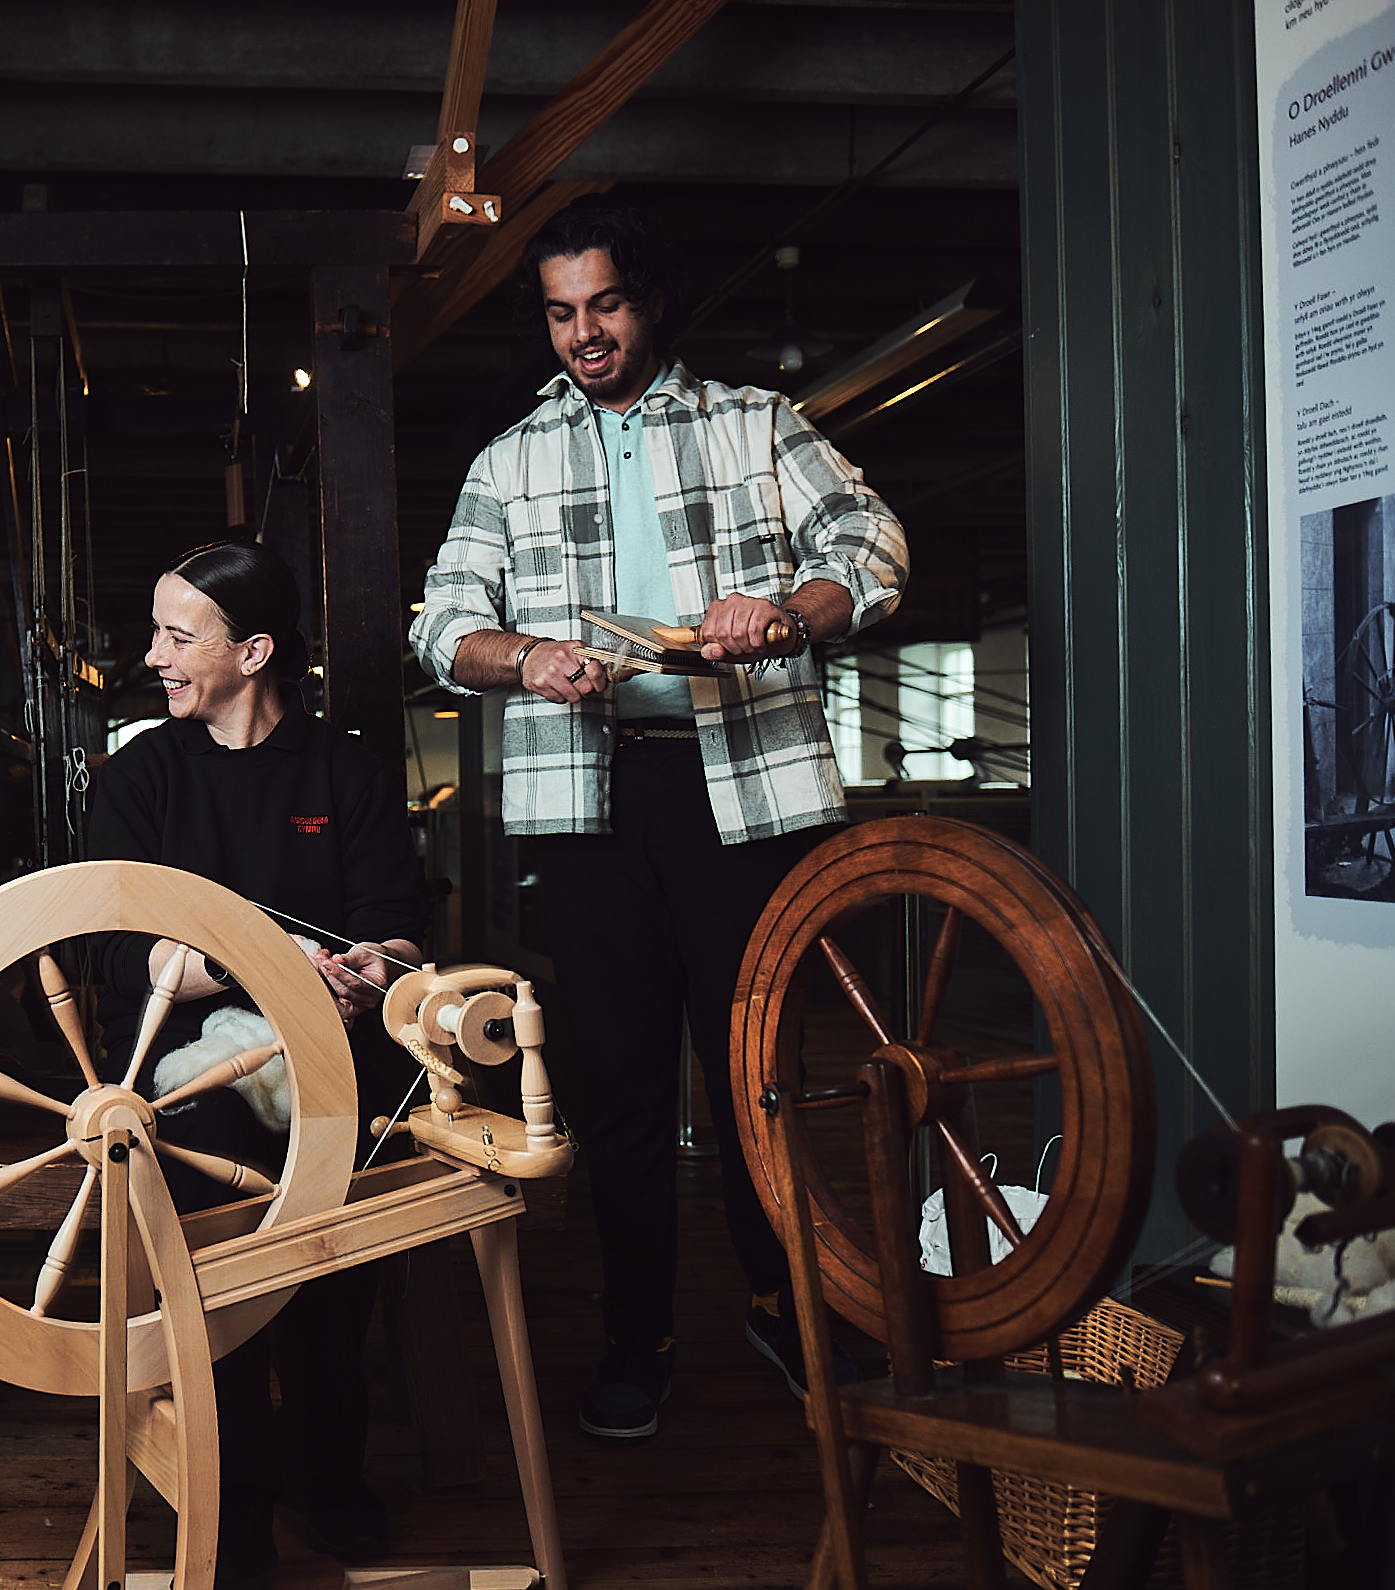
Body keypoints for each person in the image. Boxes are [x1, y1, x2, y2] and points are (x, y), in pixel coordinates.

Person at [409, 197, 908, 1444]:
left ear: (652, 300)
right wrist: (525, 661)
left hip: (747, 791)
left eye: (607, 304)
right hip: (590, 800)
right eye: (562, 311)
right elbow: (437, 624)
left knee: (760, 1072)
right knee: (618, 1085)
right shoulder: (507, 459)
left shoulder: (756, 424)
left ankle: (785, 1304)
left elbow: (875, 540)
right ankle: (640, 1337)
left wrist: (785, 608)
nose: (584, 333)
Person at [87, 541, 425, 1589]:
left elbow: (401, 935)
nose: (154, 656)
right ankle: (231, 1505)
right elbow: (108, 950)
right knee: (219, 1210)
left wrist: (369, 969)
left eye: (178, 636)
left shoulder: (345, 772)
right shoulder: (141, 774)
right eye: (157, 632)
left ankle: (330, 1474)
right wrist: (257, 968)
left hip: (327, 1059)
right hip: (178, 1070)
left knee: (331, 1223)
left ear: (256, 650)